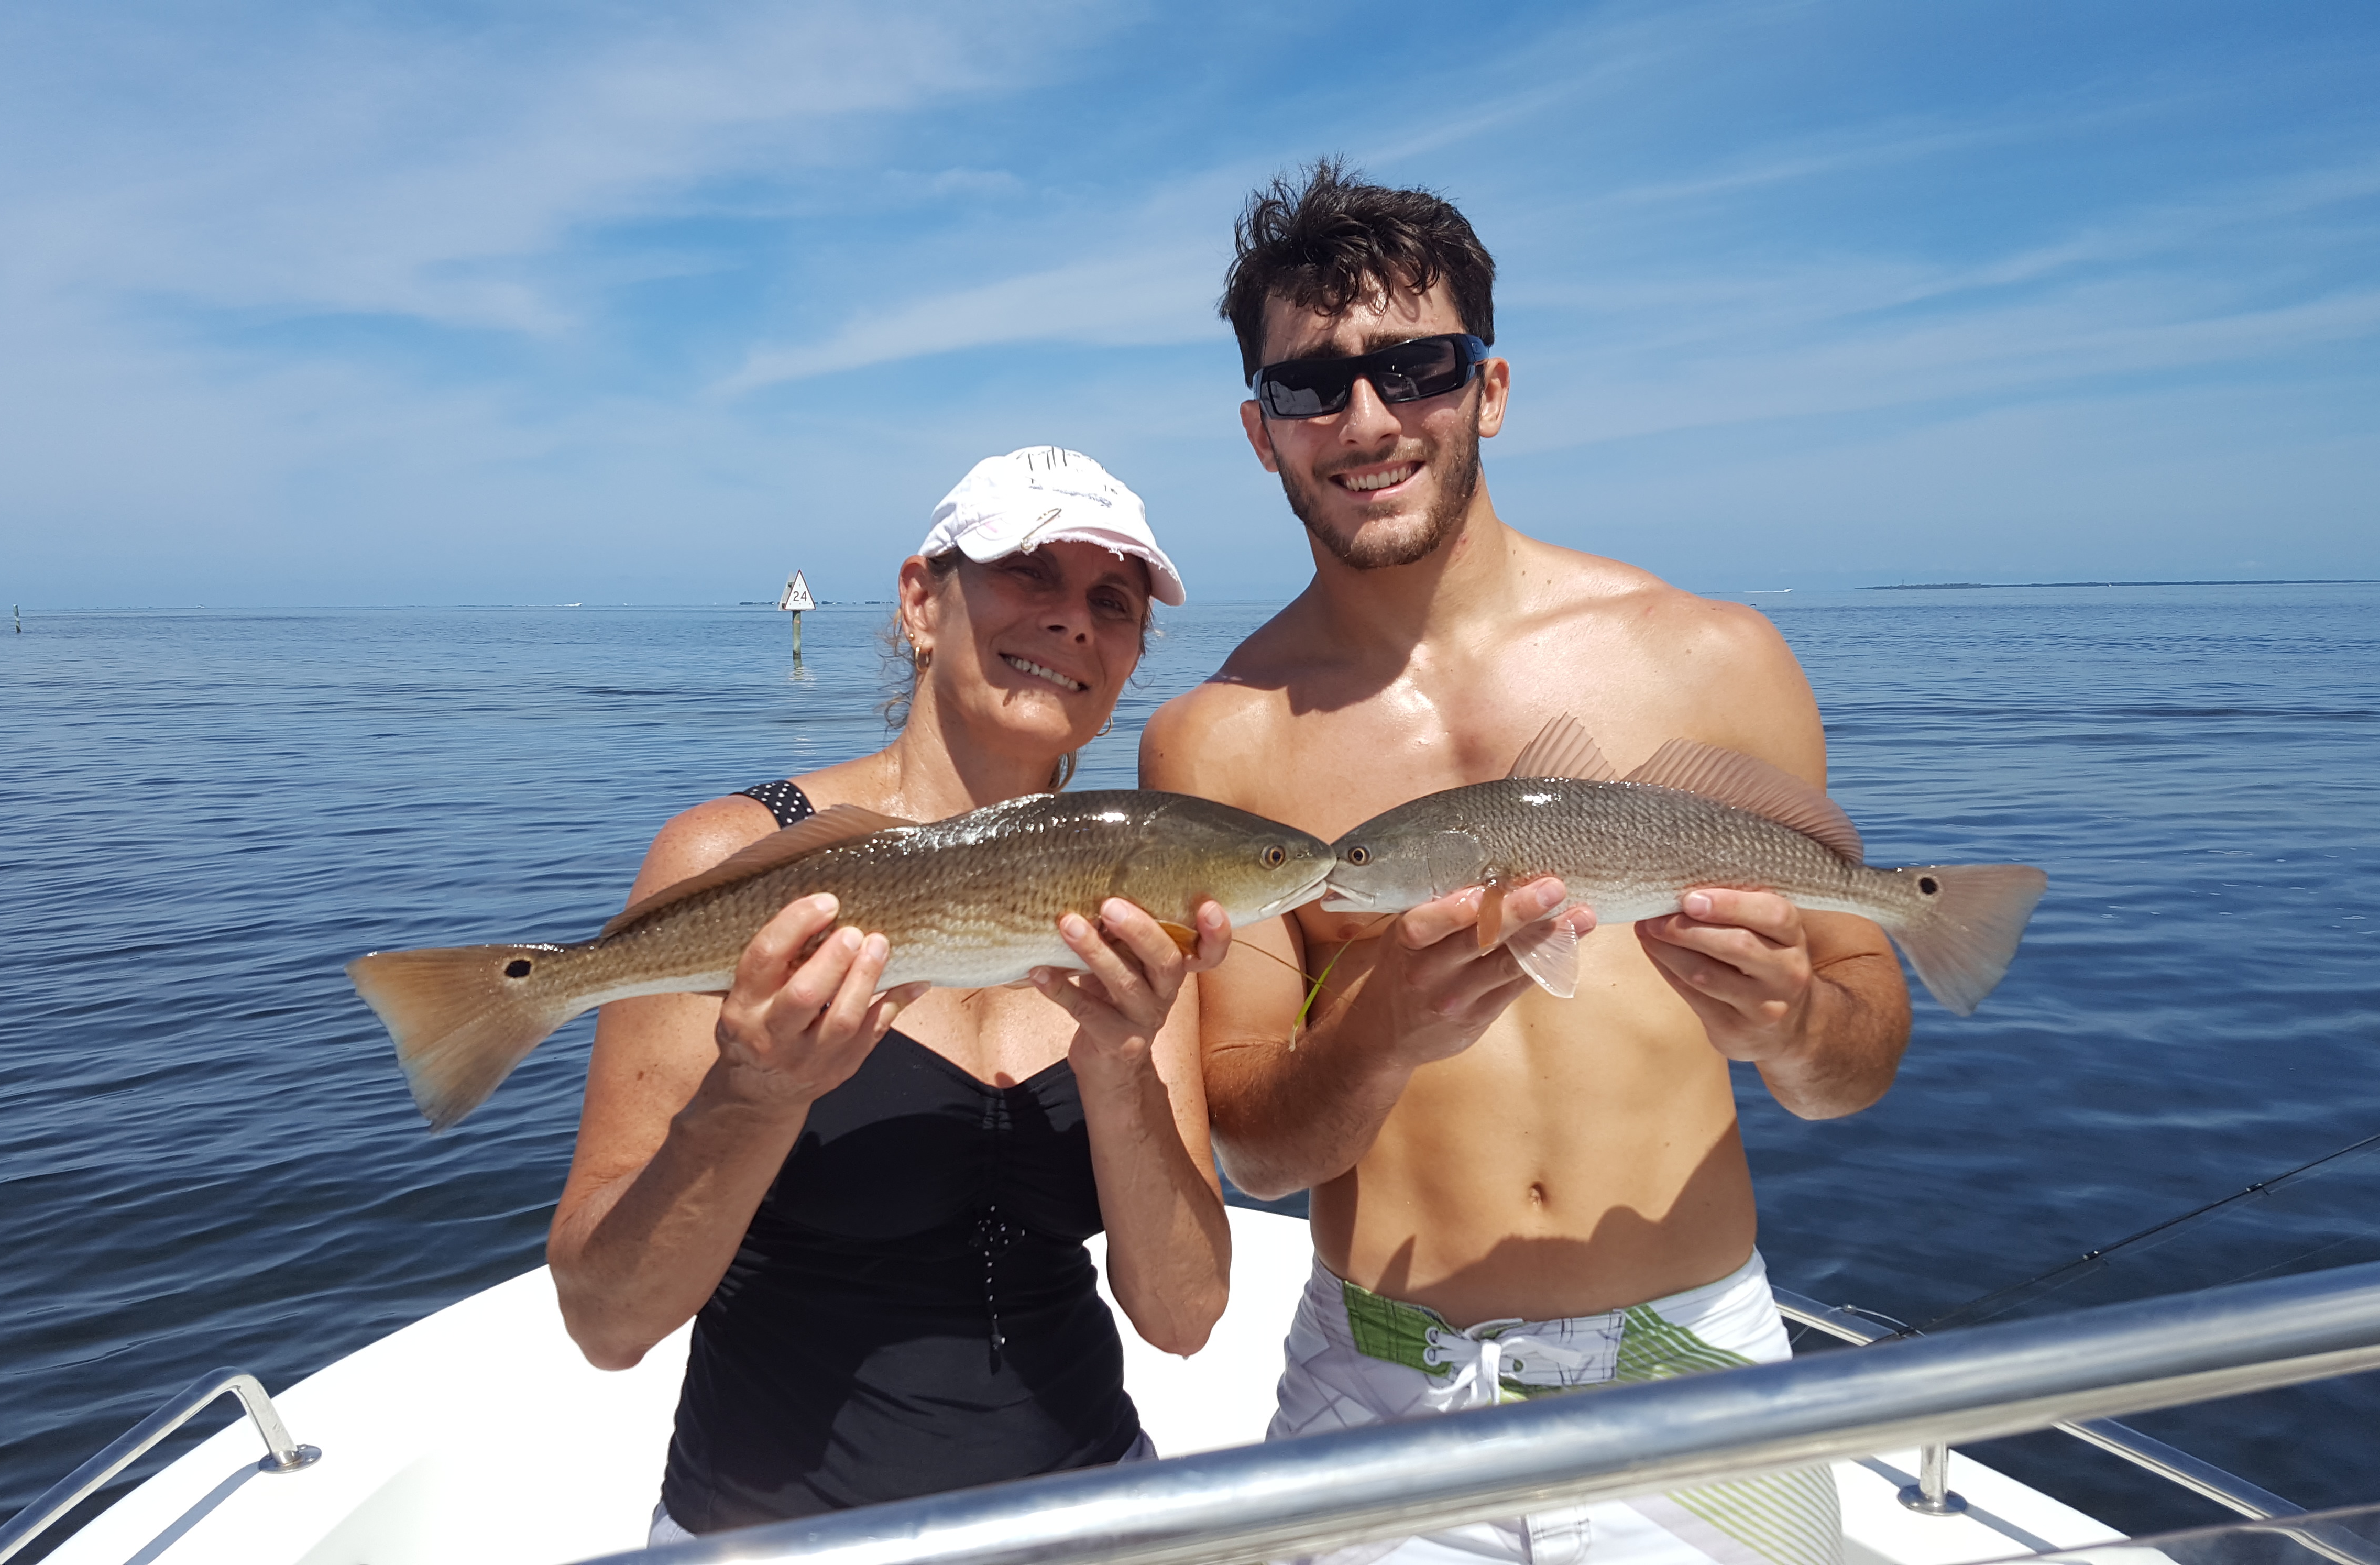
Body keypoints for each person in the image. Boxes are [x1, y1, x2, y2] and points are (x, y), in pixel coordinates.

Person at [1140, 163, 1910, 1565]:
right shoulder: (1215, 742)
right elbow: (1254, 1142)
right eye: (1312, 386)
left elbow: (1857, 1060)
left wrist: (1794, 1023)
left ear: (1489, 387)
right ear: (1261, 432)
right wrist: (1371, 1040)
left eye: (1415, 366)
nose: (1366, 420)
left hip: (1695, 1373)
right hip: (1374, 1389)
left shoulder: (1717, 657)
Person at [550, 447, 1235, 1545]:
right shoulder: (737, 855)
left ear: (1131, 655)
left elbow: (1184, 1317)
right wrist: (756, 1095)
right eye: (1029, 574)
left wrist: (1119, 1074)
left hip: (1097, 1509)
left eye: (1112, 602)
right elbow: (606, 1319)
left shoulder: (1140, 905)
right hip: (777, 1532)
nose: (1072, 621)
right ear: (922, 601)